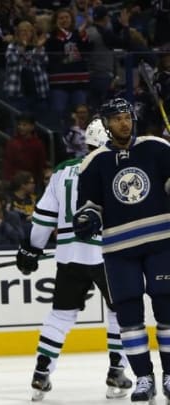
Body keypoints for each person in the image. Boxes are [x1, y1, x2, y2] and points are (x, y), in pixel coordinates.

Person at [16, 118, 132, 401]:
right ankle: (117, 370)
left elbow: (44, 217)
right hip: (106, 253)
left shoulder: (62, 171)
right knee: (120, 311)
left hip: (68, 256)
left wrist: (32, 248)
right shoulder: (114, 166)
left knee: (61, 314)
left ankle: (41, 373)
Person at [73, 97, 170, 403]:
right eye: (116, 119)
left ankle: (169, 374)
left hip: (161, 243)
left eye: (126, 116)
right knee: (128, 315)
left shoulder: (157, 147)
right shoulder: (94, 162)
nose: (123, 123)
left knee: (167, 309)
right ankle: (143, 377)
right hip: (119, 249)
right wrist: (87, 219)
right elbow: (88, 206)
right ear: (106, 124)